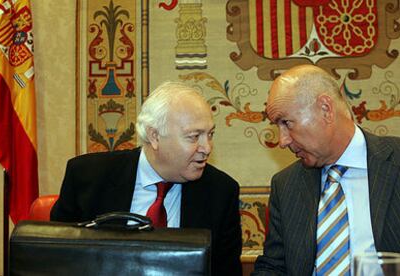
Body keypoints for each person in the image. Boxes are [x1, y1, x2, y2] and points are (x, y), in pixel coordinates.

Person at [51, 81, 242, 276]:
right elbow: (54, 259)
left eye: (210, 134)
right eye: (194, 137)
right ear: (154, 136)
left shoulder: (221, 192)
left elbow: (226, 271)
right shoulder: (87, 176)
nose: (207, 147)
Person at [252, 65, 400, 275]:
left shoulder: (395, 161)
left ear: (325, 109)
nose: (282, 141)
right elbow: (273, 267)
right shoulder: (286, 185)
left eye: (286, 123)